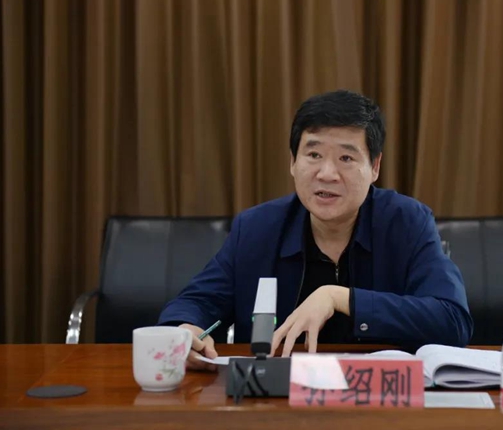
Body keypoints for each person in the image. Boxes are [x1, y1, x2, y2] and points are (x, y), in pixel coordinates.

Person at [158, 90, 473, 370]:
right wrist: (186, 329)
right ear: (293, 162)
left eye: (346, 158)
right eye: (313, 155)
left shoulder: (407, 223)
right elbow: (197, 303)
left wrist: (339, 298)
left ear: (374, 167)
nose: (327, 173)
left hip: (380, 400)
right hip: (278, 400)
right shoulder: (257, 228)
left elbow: (452, 321)